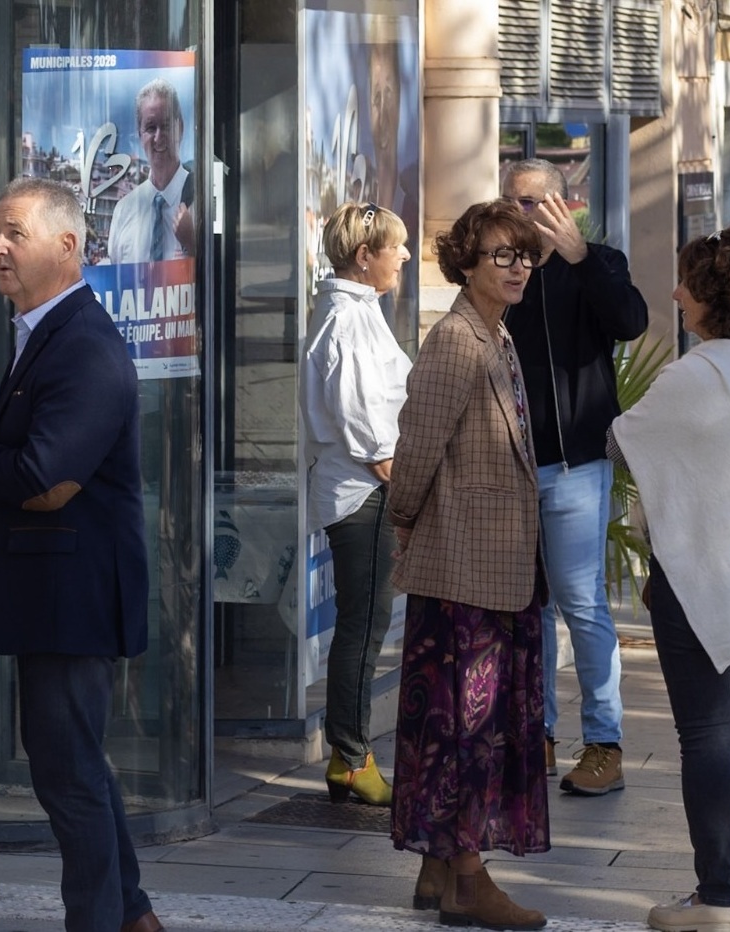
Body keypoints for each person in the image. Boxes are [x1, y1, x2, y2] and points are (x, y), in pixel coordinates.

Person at [0, 177, 163, 932]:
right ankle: (130, 913)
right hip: (52, 595)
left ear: (68, 246)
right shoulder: (45, 333)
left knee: (68, 775)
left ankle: (100, 918)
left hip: (72, 598)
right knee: (75, 765)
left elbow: (46, 478)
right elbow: (35, 470)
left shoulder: (82, 344)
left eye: (15, 234)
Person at [613, 228, 730, 932]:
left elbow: (622, 443)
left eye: (686, 282)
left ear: (714, 295)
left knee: (707, 736)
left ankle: (715, 899)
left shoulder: (695, 377)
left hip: (701, 578)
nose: (675, 294)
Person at [388, 199, 548, 931]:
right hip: (461, 568)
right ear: (466, 263)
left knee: (466, 724)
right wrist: (405, 520)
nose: (517, 268)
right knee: (463, 729)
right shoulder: (456, 339)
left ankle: (435, 867)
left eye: (525, 255)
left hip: (496, 568)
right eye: (501, 255)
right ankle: (466, 881)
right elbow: (417, 445)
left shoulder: (498, 333)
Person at [500, 159, 647, 792]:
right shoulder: (501, 270)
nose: (520, 213)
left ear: (565, 205)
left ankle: (604, 745)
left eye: (531, 202)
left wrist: (580, 258)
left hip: (575, 469)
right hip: (509, 470)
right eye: (511, 201)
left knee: (582, 604)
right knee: (526, 608)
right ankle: (536, 736)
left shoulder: (599, 263)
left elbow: (630, 321)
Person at [301, 202, 411, 807]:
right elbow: (367, 429)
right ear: (364, 257)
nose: (405, 255)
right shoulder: (347, 318)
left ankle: (348, 755)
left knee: (363, 624)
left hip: (364, 489)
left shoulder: (357, 310)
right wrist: (406, 489)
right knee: (363, 626)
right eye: (396, 246)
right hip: (364, 493)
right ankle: (350, 755)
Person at [108, 79, 193, 264]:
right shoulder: (123, 211)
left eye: (166, 126)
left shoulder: (203, 201)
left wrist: (194, 245)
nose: (158, 137)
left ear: (180, 128)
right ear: (140, 135)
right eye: (151, 127)